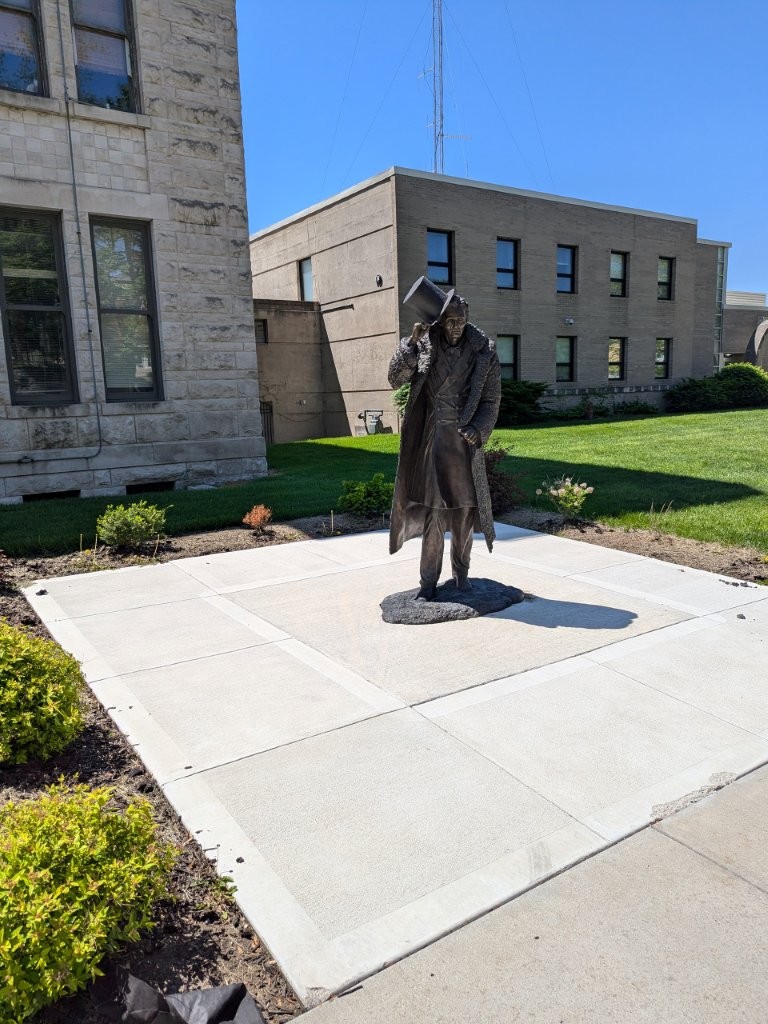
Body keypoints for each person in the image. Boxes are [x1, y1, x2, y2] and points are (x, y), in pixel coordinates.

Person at [388, 279, 501, 600]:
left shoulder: (484, 350)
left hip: (464, 443)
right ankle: (427, 584)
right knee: (435, 513)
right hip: (432, 439)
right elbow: (394, 379)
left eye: (461, 321)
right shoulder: (422, 343)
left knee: (465, 511)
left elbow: (491, 400)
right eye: (450, 321)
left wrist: (479, 429)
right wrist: (408, 346)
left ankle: (461, 576)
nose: (455, 327)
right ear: (440, 320)